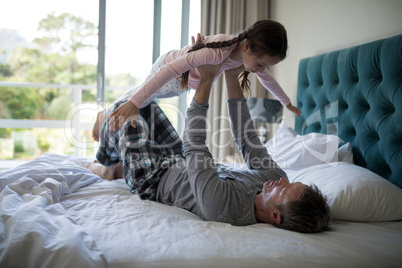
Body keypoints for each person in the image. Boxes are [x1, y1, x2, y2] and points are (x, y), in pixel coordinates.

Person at [86, 61, 331, 233]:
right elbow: (247, 139)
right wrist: (231, 74)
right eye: (288, 182)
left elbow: (195, 145)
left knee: (125, 111)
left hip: (153, 179)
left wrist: (206, 79)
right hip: (178, 158)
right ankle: (116, 164)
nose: (281, 181)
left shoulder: (224, 209)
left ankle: (107, 162)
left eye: (283, 190)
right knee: (144, 103)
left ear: (275, 216)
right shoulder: (275, 178)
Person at [92, 19, 301, 141]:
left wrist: (287, 103)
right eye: (260, 64)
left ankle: (110, 114)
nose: (261, 70)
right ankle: (105, 116)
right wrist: (133, 103)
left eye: (266, 66)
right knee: (138, 100)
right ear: (247, 47)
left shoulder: (245, 58)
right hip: (170, 72)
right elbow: (169, 69)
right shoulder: (216, 53)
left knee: (143, 100)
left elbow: (268, 80)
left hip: (181, 86)